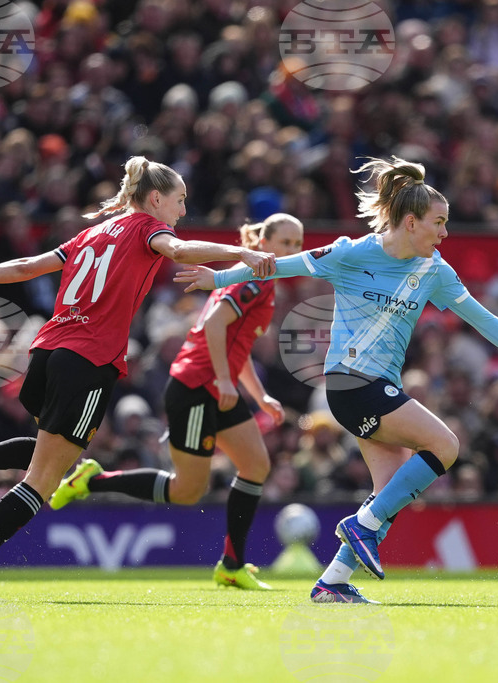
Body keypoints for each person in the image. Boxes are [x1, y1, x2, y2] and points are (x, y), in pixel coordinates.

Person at [176, 157, 498, 603]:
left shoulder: (434, 271)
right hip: (349, 383)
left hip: (379, 387)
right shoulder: (352, 252)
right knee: (445, 446)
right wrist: (221, 276)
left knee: (389, 495)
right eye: (438, 223)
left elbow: (484, 319)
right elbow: (285, 265)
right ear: (410, 222)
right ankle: (359, 526)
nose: (444, 233)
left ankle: (332, 582)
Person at [0, 156, 275, 601]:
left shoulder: (92, 232)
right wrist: (242, 251)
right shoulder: (145, 228)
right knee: (43, 477)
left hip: (46, 351)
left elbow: (26, 266)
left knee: (50, 452)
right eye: (179, 201)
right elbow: (178, 251)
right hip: (89, 359)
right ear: (156, 198)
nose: (182, 212)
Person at [48, 213, 305, 590]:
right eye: (285, 243)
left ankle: (232, 565)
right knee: (188, 490)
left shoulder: (262, 281)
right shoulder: (251, 279)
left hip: (219, 387)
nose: (292, 251)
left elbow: (239, 342)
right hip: (198, 387)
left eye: (297, 245)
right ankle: (93, 480)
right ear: (263, 243)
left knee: (255, 465)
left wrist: (259, 394)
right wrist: (222, 379)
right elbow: (216, 324)